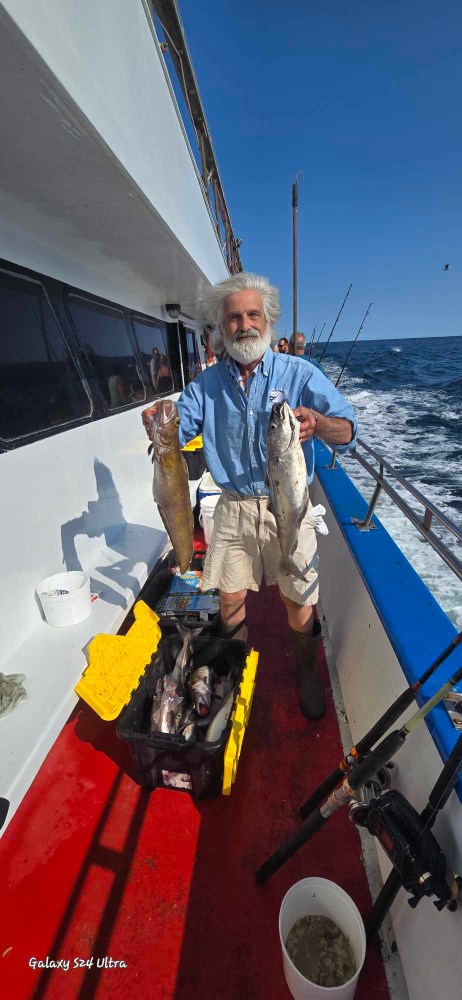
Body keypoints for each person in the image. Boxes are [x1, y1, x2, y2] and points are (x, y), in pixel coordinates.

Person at [142, 273, 356, 720]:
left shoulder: (300, 373)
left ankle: (306, 673)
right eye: (234, 318)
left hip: (291, 502)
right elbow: (179, 429)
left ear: (268, 321)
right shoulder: (206, 385)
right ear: (222, 328)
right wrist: (160, 422)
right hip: (234, 505)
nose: (244, 325)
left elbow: (348, 429)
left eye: (253, 315)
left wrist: (320, 422)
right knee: (230, 598)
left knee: (299, 599)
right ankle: (235, 674)